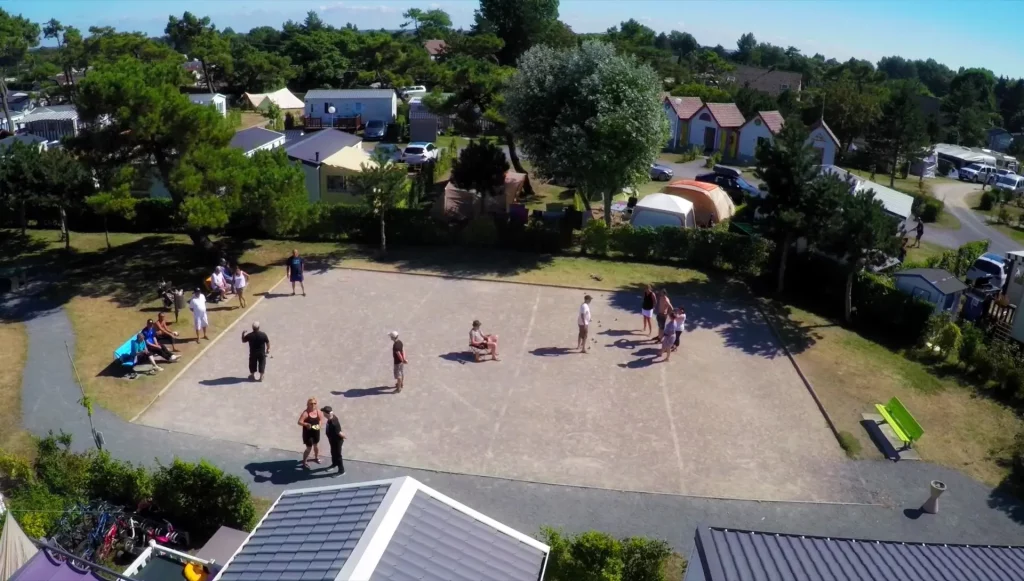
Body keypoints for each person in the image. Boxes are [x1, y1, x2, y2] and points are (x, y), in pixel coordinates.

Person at [298, 398, 321, 469]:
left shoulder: (317, 411)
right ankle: (304, 462)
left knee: (316, 446)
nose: (313, 405)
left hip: (316, 432)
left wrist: (319, 425)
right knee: (309, 448)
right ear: (308, 404)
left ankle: (316, 457)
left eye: (315, 403)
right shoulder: (305, 413)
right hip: (308, 434)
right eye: (311, 403)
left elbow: (320, 419)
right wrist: (306, 424)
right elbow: (299, 422)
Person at [322, 406, 346, 476]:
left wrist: (344, 436)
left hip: (337, 441)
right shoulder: (330, 418)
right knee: (333, 452)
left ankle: (341, 471)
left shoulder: (333, 423)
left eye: (323, 412)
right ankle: (334, 464)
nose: (323, 413)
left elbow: (339, 433)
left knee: (338, 455)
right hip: (332, 440)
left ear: (326, 414)